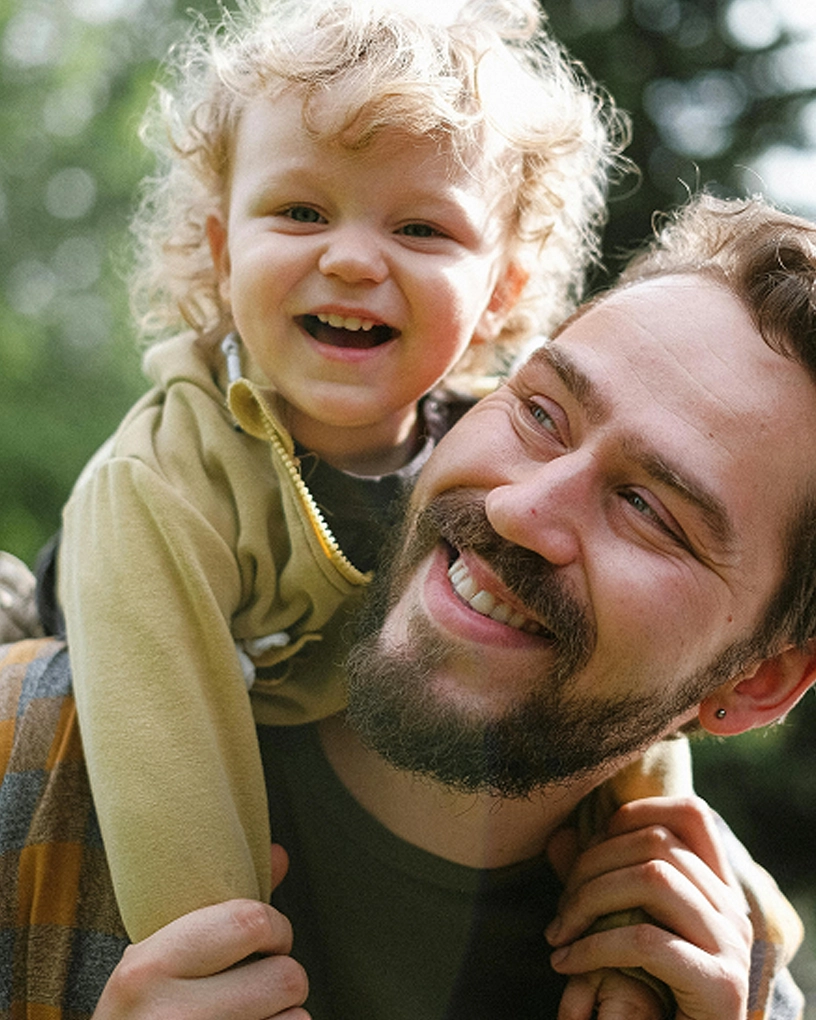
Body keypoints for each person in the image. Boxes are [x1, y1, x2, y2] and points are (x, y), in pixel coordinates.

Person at [1, 193, 811, 1019]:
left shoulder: (726, 991)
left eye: (651, 510)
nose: (518, 510)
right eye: (540, 413)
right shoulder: (20, 760)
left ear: (760, 682)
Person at [41, 0, 626, 947]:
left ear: (502, 291)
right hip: (112, 673)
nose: (352, 258)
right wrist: (215, 965)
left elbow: (623, 676)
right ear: (225, 249)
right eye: (301, 211)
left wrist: (658, 852)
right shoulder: (159, 483)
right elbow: (164, 782)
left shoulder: (497, 472)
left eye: (423, 230)